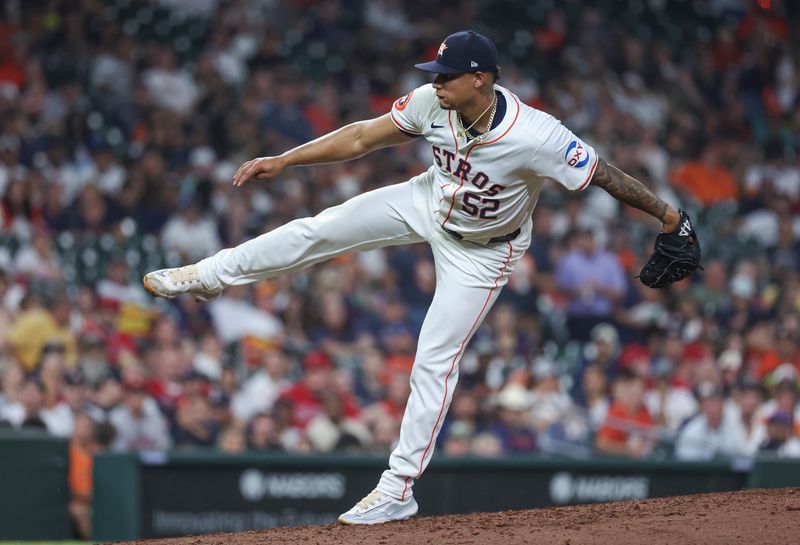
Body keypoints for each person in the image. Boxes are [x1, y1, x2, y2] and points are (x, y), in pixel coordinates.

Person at [143, 30, 685, 524]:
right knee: (319, 228)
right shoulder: (433, 103)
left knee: (434, 359)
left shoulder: (538, 136)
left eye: (446, 75)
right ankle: (209, 274)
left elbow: (604, 175)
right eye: (435, 73)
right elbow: (360, 138)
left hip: (484, 251)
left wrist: (667, 217)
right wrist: (286, 160)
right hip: (428, 198)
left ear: (482, 79)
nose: (435, 82)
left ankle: (399, 487)